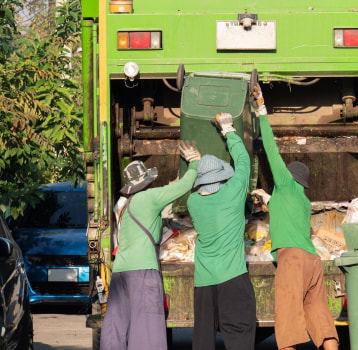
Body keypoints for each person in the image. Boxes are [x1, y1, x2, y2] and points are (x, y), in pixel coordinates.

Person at [250, 84, 339, 350]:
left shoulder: (285, 184)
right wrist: (268, 200)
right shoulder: (302, 200)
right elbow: (282, 211)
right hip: (313, 262)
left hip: (292, 262)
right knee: (321, 318)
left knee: (288, 325)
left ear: (288, 177)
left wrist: (261, 109)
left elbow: (270, 148)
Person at [100, 140, 201, 350]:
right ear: (145, 181)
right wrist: (194, 164)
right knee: (146, 332)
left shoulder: (126, 204)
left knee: (116, 330)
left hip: (120, 273)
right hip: (142, 272)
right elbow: (183, 187)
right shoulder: (148, 198)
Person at [187, 113, 256, 350]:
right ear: (221, 178)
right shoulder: (233, 193)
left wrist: (195, 163)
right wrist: (228, 129)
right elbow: (244, 162)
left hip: (204, 284)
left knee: (203, 341)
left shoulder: (193, 202)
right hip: (232, 279)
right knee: (239, 336)